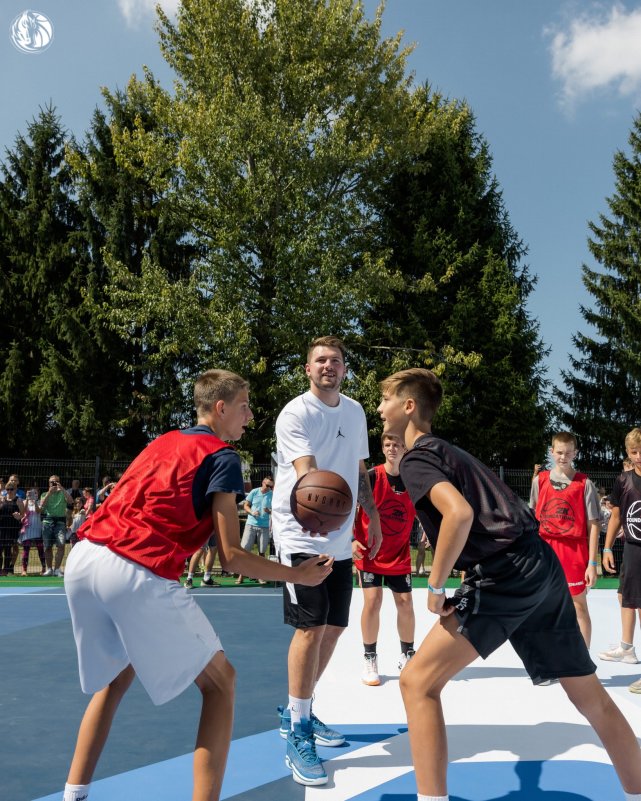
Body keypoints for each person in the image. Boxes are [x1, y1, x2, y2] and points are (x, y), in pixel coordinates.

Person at [61, 368, 333, 801]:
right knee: (221, 682)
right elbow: (232, 556)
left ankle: (73, 795)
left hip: (84, 558)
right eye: (244, 406)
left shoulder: (164, 441)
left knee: (114, 680)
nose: (250, 416)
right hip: (134, 568)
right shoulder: (223, 457)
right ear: (221, 408)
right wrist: (297, 574)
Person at [377, 367, 641, 801]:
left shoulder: (417, 458)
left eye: (385, 400)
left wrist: (436, 587)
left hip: (507, 573)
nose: (379, 409)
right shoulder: (449, 452)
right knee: (590, 697)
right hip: (540, 562)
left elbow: (459, 515)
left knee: (417, 683)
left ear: (408, 407)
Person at [272, 336, 383, 787]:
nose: (328, 366)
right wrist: (318, 511)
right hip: (301, 532)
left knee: (335, 626)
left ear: (344, 369)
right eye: (320, 360)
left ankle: (298, 710)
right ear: (307, 369)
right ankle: (298, 731)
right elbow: (308, 474)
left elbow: (359, 470)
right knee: (310, 627)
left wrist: (371, 516)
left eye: (335, 360)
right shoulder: (295, 413)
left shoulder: (355, 412)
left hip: (339, 534)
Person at [353, 432, 417, 686]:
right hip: (370, 551)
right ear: (382, 449)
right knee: (373, 601)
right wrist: (350, 538)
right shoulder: (371, 476)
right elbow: (348, 505)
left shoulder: (413, 480)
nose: (392, 448)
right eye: (388, 444)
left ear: (405, 448)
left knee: (405, 603)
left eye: (397, 445)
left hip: (398, 553)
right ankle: (370, 657)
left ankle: (408, 655)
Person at [529, 432, 600, 646]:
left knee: (578, 606)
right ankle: (548, 656)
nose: (563, 456)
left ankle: (583, 658)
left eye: (568, 453)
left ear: (575, 453)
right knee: (542, 605)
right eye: (559, 452)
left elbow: (594, 525)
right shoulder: (539, 481)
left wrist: (592, 563)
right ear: (552, 452)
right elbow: (532, 519)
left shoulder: (584, 483)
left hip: (573, 551)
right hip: (545, 549)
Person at [600, 428, 641, 689]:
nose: (638, 456)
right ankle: (626, 646)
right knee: (627, 599)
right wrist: (606, 548)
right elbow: (616, 516)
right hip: (633, 550)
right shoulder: (623, 480)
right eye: (633, 452)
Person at [236, 474, 274, 585]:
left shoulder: (272, 495)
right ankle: (241, 575)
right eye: (267, 485)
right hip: (251, 525)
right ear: (263, 483)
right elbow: (246, 506)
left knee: (262, 552)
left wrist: (270, 511)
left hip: (264, 527)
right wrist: (252, 512)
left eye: (271, 486)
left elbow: (276, 510)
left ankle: (260, 576)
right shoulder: (254, 492)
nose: (269, 488)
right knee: (244, 551)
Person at [40, 475, 73, 577]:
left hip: (60, 522)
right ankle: (49, 569)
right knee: (47, 547)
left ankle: (57, 569)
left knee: (61, 545)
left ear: (59, 482)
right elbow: (41, 507)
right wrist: (49, 493)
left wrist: (62, 488)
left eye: (56, 481)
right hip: (47, 522)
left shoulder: (63, 493)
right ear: (48, 483)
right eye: (52, 482)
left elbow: (71, 501)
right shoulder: (44, 494)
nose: (53, 483)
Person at [18, 487, 45, 575]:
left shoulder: (40, 502)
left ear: (37, 494)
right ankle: (24, 570)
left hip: (37, 528)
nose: (32, 494)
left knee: (40, 549)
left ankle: (44, 568)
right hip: (27, 529)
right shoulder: (24, 502)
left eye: (35, 493)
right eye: (30, 493)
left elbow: (38, 511)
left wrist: (35, 501)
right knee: (26, 550)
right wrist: (27, 499)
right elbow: (23, 511)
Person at [0, 483, 24, 575]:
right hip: (1, 527)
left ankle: (6, 569)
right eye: (8, 489)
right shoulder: (2, 499)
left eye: (11, 489)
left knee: (7, 549)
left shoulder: (19, 500)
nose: (9, 491)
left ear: (15, 490)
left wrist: (19, 517)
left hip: (12, 528)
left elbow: (23, 515)